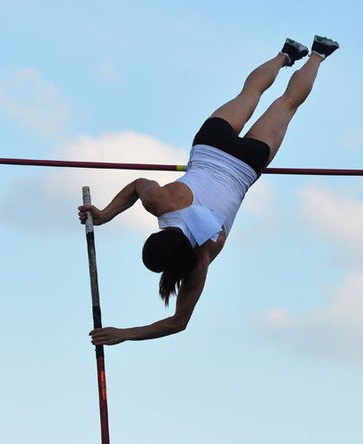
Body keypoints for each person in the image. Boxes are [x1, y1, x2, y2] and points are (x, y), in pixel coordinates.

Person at [79, 36, 339, 346]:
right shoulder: (160, 203)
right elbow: (137, 185)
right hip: (210, 146)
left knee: (287, 103)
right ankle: (286, 55)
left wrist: (125, 334)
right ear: (157, 235)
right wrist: (106, 214)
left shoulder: (201, 259)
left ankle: (318, 55)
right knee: (250, 92)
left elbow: (178, 322)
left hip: (246, 163)